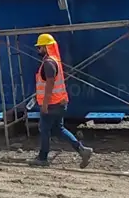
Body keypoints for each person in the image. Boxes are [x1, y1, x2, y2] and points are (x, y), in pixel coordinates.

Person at [27, 33, 93, 168]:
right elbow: (47, 84)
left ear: (46, 47)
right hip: (60, 102)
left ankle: (42, 158)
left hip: (52, 104)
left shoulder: (48, 63)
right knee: (58, 129)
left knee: (44, 129)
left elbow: (50, 83)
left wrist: (44, 103)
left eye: (40, 47)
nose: (38, 49)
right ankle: (82, 150)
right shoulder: (55, 61)